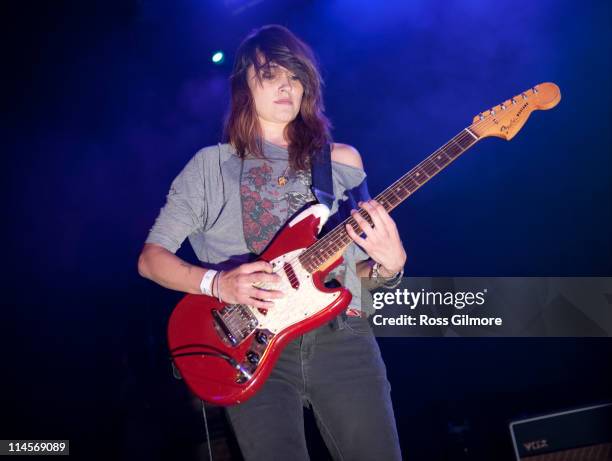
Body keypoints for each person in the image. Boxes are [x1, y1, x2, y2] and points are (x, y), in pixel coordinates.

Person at [138, 25, 406, 461]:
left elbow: (356, 271)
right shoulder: (209, 167)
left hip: (342, 339)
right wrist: (217, 285)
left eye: (296, 76)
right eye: (271, 74)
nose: (287, 85)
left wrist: (388, 267)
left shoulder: (341, 161)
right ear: (245, 85)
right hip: (247, 345)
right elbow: (151, 261)